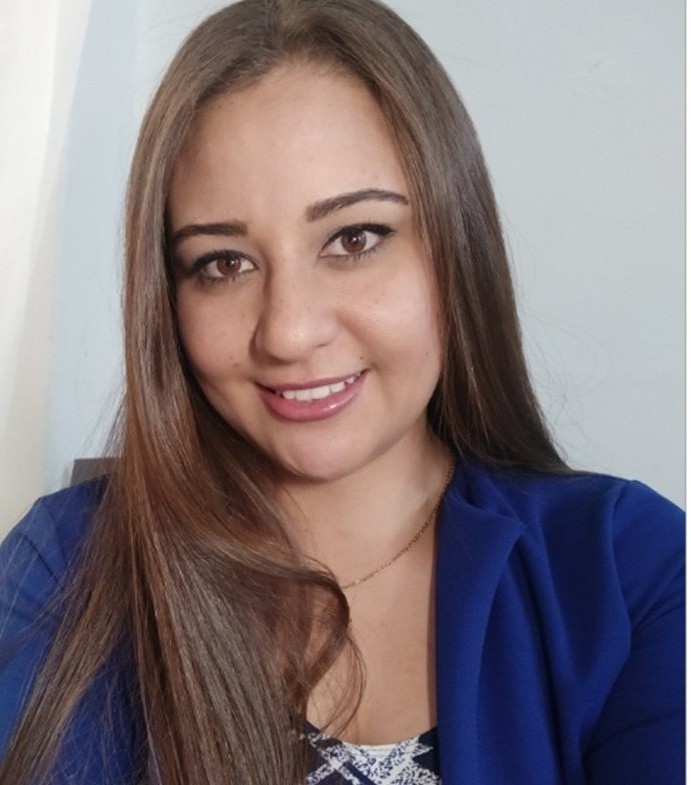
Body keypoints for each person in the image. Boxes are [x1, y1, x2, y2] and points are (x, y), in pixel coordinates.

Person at [0, 0, 683, 783]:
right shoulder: (64, 567)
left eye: (355, 239)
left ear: (455, 246)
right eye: (223, 262)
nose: (288, 331)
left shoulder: (628, 568)